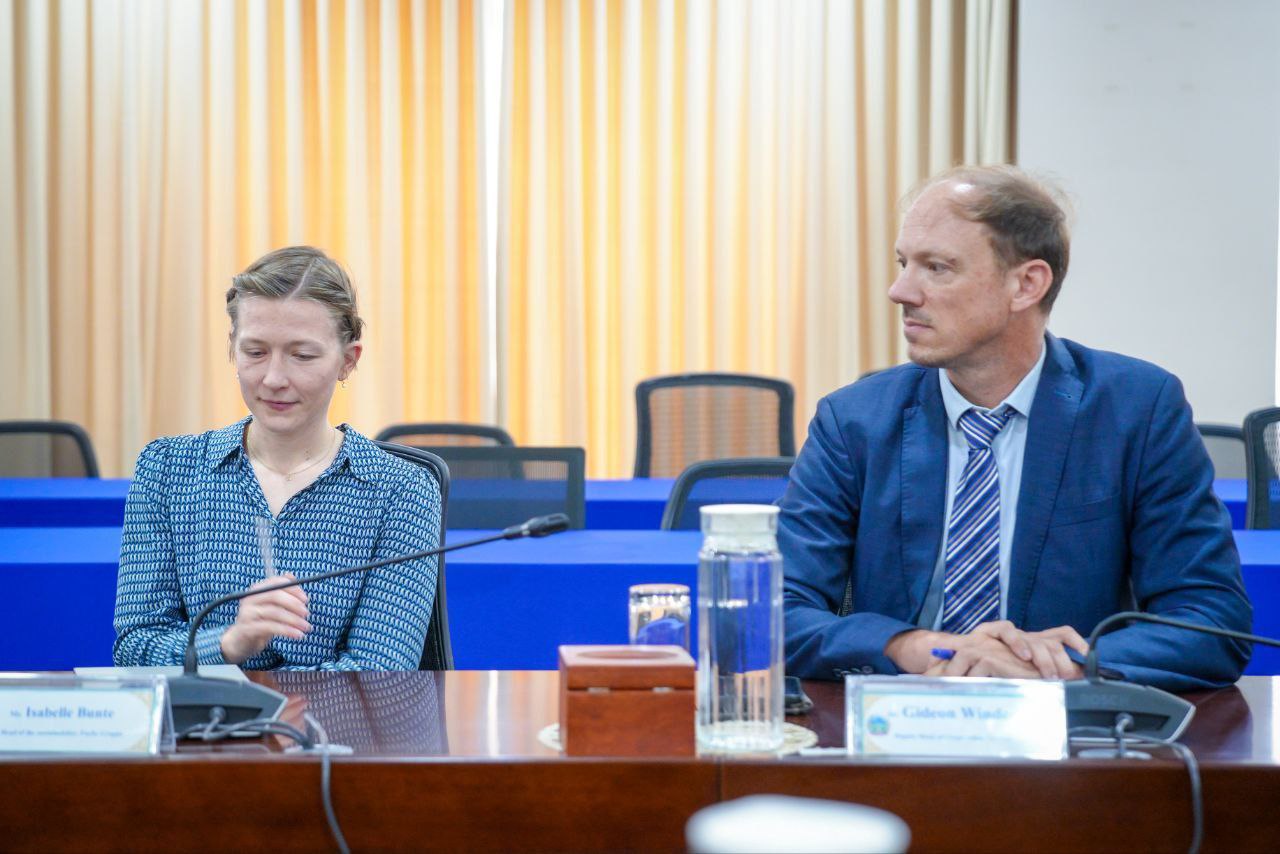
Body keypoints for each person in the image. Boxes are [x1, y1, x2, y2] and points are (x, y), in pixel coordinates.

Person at [779, 165, 1252, 692]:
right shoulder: (854, 420)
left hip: (1065, 729)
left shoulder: (1135, 411)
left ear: (1027, 284)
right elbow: (776, 609)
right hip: (899, 718)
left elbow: (1210, 619)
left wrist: (1061, 663)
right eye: (903, 263)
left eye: (937, 267)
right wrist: (913, 647)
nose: (900, 290)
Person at [114, 246, 442, 671]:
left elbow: (379, 674)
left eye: (302, 355)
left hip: (333, 721)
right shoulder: (167, 470)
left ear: (348, 361)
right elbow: (135, 648)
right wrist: (229, 643)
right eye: (255, 352)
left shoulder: (401, 489)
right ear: (232, 349)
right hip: (204, 716)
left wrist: (261, 701)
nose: (273, 378)